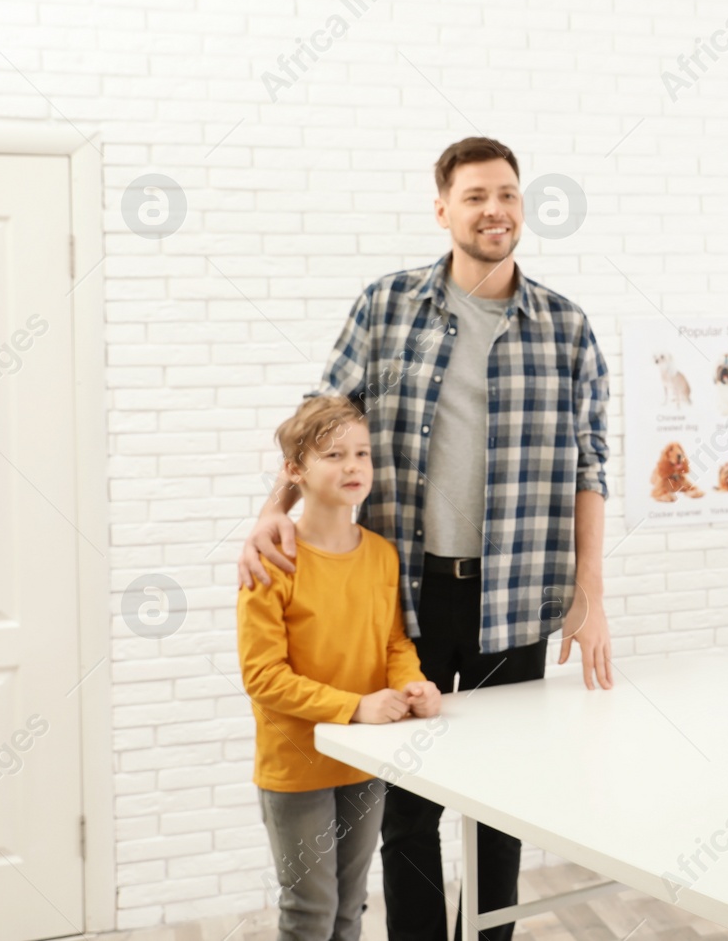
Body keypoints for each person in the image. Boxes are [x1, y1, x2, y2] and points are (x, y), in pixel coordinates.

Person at [237, 136, 614, 941]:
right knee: (407, 809)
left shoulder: (567, 328)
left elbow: (592, 465)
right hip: (406, 592)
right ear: (442, 207)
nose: (494, 210)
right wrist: (275, 505)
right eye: (475, 195)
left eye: (508, 194)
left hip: (518, 597)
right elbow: (321, 410)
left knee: (500, 809)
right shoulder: (387, 305)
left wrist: (593, 595)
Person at [238, 394, 444, 941]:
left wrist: (411, 682)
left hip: (362, 760)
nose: (352, 466)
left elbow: (393, 640)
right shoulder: (270, 560)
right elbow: (263, 678)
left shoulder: (381, 554)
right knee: (310, 913)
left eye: (362, 454)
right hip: (296, 765)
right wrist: (355, 706)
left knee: (350, 909)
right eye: (333, 455)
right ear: (294, 471)